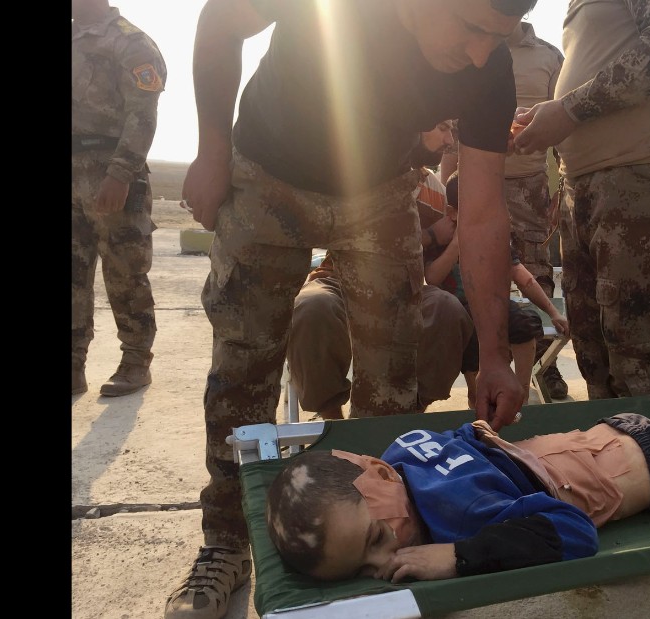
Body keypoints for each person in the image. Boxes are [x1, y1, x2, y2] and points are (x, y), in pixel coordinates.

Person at [168, 2, 539, 618]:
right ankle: (226, 543)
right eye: (473, 29)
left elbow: (480, 213)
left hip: (379, 189)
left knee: (390, 379)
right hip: (268, 173)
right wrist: (211, 151)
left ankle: (380, 537)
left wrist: (496, 356)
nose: (480, 55)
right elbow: (220, 21)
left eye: (496, 39)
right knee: (243, 366)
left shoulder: (488, 66)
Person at [265, 374, 650, 582]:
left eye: (380, 538)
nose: (392, 554)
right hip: (618, 440)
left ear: (374, 474)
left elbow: (571, 530)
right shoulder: (406, 452)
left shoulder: (456, 518)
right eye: (369, 563)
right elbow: (480, 445)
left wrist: (459, 555)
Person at [510, 0, 650, 401]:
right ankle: (611, 451)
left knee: (635, 351)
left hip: (635, 181)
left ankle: (649, 452)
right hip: (582, 186)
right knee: (591, 345)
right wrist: (553, 115)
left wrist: (568, 111)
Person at [287, 123, 474, 420]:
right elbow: (327, 231)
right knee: (311, 308)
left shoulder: (435, 191)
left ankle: (406, 416)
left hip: (404, 284)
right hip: (338, 278)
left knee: (447, 310)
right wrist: (431, 236)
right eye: (441, 128)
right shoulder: (358, 169)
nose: (449, 139)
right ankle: (335, 423)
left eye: (452, 130)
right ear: (415, 124)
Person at [442, 21, 569, 399]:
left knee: (535, 269)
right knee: (471, 268)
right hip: (475, 183)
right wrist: (452, 194)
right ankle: (481, 368)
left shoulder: (549, 57)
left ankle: (547, 366)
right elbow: (454, 132)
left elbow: (562, 123)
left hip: (527, 187)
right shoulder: (465, 42)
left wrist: (560, 189)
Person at [72, 0, 166, 397]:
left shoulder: (130, 43)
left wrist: (121, 172)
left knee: (125, 272)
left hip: (109, 168)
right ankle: (73, 364)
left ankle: (134, 362)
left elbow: (143, 111)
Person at [428, 174, 570, 404]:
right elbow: (433, 277)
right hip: (458, 311)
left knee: (523, 323)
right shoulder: (442, 239)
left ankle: (522, 391)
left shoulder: (494, 237)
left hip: (493, 304)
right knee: (471, 337)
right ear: (453, 212)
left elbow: (525, 280)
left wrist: (554, 313)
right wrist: (457, 243)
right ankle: (477, 394)